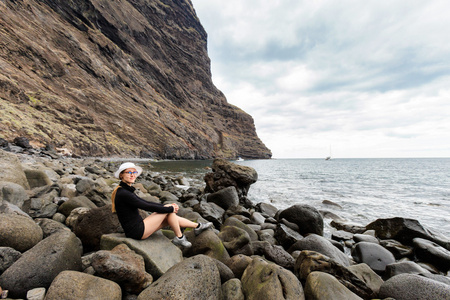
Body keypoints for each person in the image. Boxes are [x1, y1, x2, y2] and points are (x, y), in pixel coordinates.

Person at [111, 162, 213, 247]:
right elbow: (145, 206)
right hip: (137, 231)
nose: (132, 174)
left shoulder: (125, 190)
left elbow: (146, 202)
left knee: (169, 214)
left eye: (134, 172)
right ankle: (180, 237)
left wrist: (167, 208)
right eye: (129, 172)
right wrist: (169, 208)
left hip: (137, 228)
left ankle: (197, 226)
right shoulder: (123, 193)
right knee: (169, 210)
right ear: (121, 175)